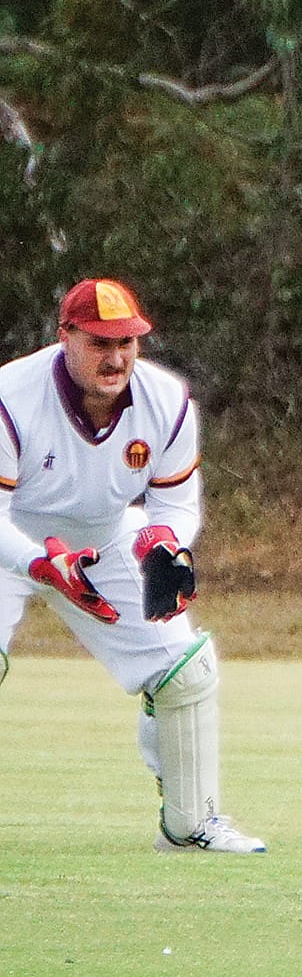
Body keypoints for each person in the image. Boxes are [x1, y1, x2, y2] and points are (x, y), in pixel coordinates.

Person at [0, 278, 264, 853]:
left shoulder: (167, 400)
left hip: (102, 537)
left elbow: (174, 501)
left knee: (185, 670)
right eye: (98, 342)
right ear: (64, 336)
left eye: (126, 342)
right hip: (12, 537)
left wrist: (161, 545)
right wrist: (43, 566)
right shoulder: (10, 396)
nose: (115, 357)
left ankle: (190, 825)